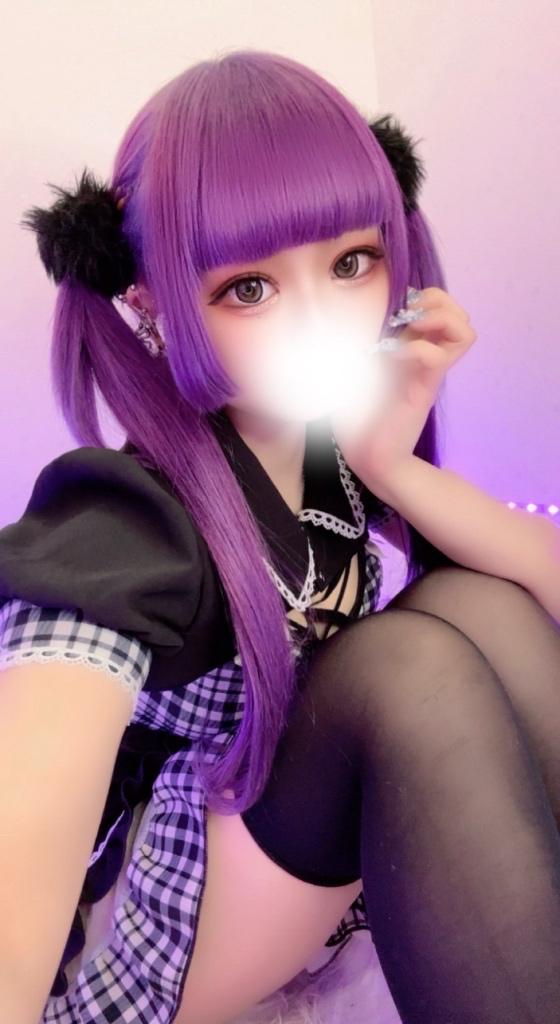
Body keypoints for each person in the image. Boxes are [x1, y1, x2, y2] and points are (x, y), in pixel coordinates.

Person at [1, 48, 559, 1024]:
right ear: (148, 298)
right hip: (153, 930)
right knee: (401, 667)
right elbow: (23, 833)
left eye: (350, 263)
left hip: (278, 862)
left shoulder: (332, 457)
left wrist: (392, 467)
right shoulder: (125, 515)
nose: (319, 320)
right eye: (249, 289)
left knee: (468, 601)